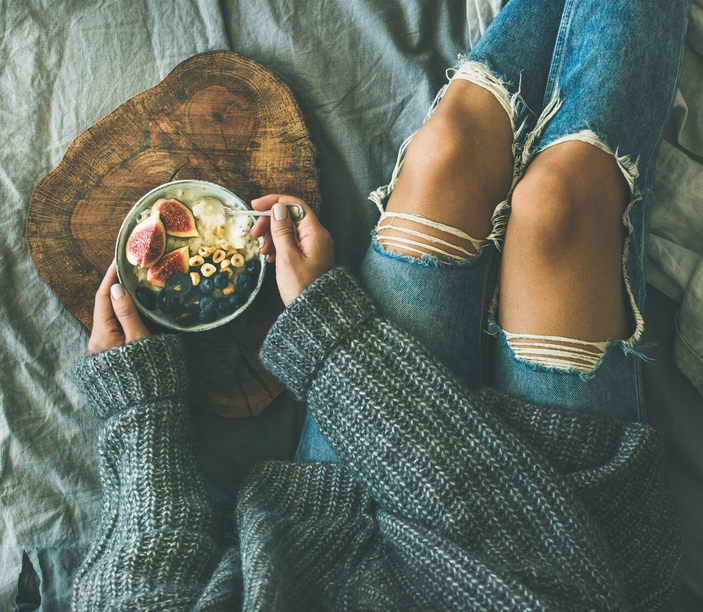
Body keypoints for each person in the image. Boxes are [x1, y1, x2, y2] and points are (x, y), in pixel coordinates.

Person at [72, 0, 688, 610]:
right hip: (567, 558)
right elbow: (546, 576)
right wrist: (332, 338)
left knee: (444, 154)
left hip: (335, 521)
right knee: (558, 207)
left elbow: (137, 595)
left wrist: (139, 416)